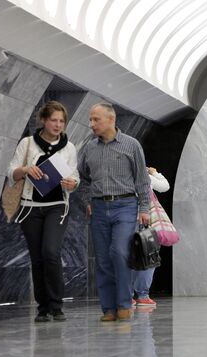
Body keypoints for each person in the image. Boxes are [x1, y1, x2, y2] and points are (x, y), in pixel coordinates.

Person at [7, 101, 79, 322]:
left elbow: (75, 177)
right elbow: (12, 172)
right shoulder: (28, 144)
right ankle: (43, 307)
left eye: (61, 121)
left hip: (57, 207)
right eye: (54, 120)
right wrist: (26, 169)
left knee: (50, 252)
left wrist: (71, 184)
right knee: (37, 257)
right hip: (30, 208)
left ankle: (57, 306)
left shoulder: (69, 147)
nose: (58, 125)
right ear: (44, 121)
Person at [78, 103, 150, 321]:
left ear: (111, 119)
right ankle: (108, 309)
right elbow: (82, 179)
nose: (91, 124)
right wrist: (86, 200)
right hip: (99, 208)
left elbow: (142, 180)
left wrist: (144, 208)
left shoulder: (132, 145)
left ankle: (124, 304)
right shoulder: (89, 148)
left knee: (119, 252)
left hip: (126, 206)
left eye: (96, 119)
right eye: (90, 120)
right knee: (102, 260)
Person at [132, 166, 169, 307]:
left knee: (127, 256)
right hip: (146, 220)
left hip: (125, 220)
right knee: (149, 255)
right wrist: (154, 172)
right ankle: (142, 295)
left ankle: (128, 295)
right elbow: (164, 186)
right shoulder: (144, 175)